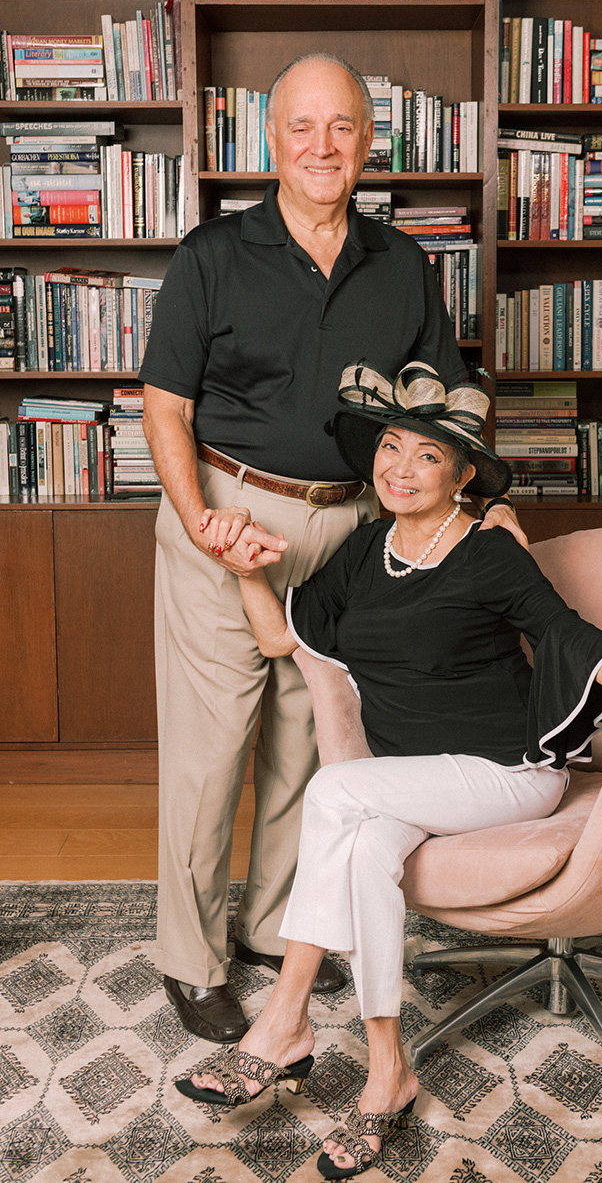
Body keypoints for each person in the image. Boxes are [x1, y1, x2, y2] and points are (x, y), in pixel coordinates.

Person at [174, 361, 602, 1180]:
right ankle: (387, 1073)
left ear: (463, 475)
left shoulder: (489, 552)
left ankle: (284, 1022)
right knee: (363, 851)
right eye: (390, 448)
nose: (401, 468)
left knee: (332, 789)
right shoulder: (364, 550)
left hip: (506, 772)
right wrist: (245, 570)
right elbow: (279, 640)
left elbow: (565, 629)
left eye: (428, 456)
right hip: (412, 777)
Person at [139, 52, 525, 1044]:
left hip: (354, 526)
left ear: (367, 142)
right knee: (209, 755)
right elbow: (165, 405)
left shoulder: (402, 264)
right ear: (271, 140)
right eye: (302, 127)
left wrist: (488, 508)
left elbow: (445, 412)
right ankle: (190, 958)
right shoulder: (212, 254)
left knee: (310, 741)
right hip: (228, 517)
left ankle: (273, 926)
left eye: (341, 126)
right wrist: (201, 520)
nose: (322, 146)